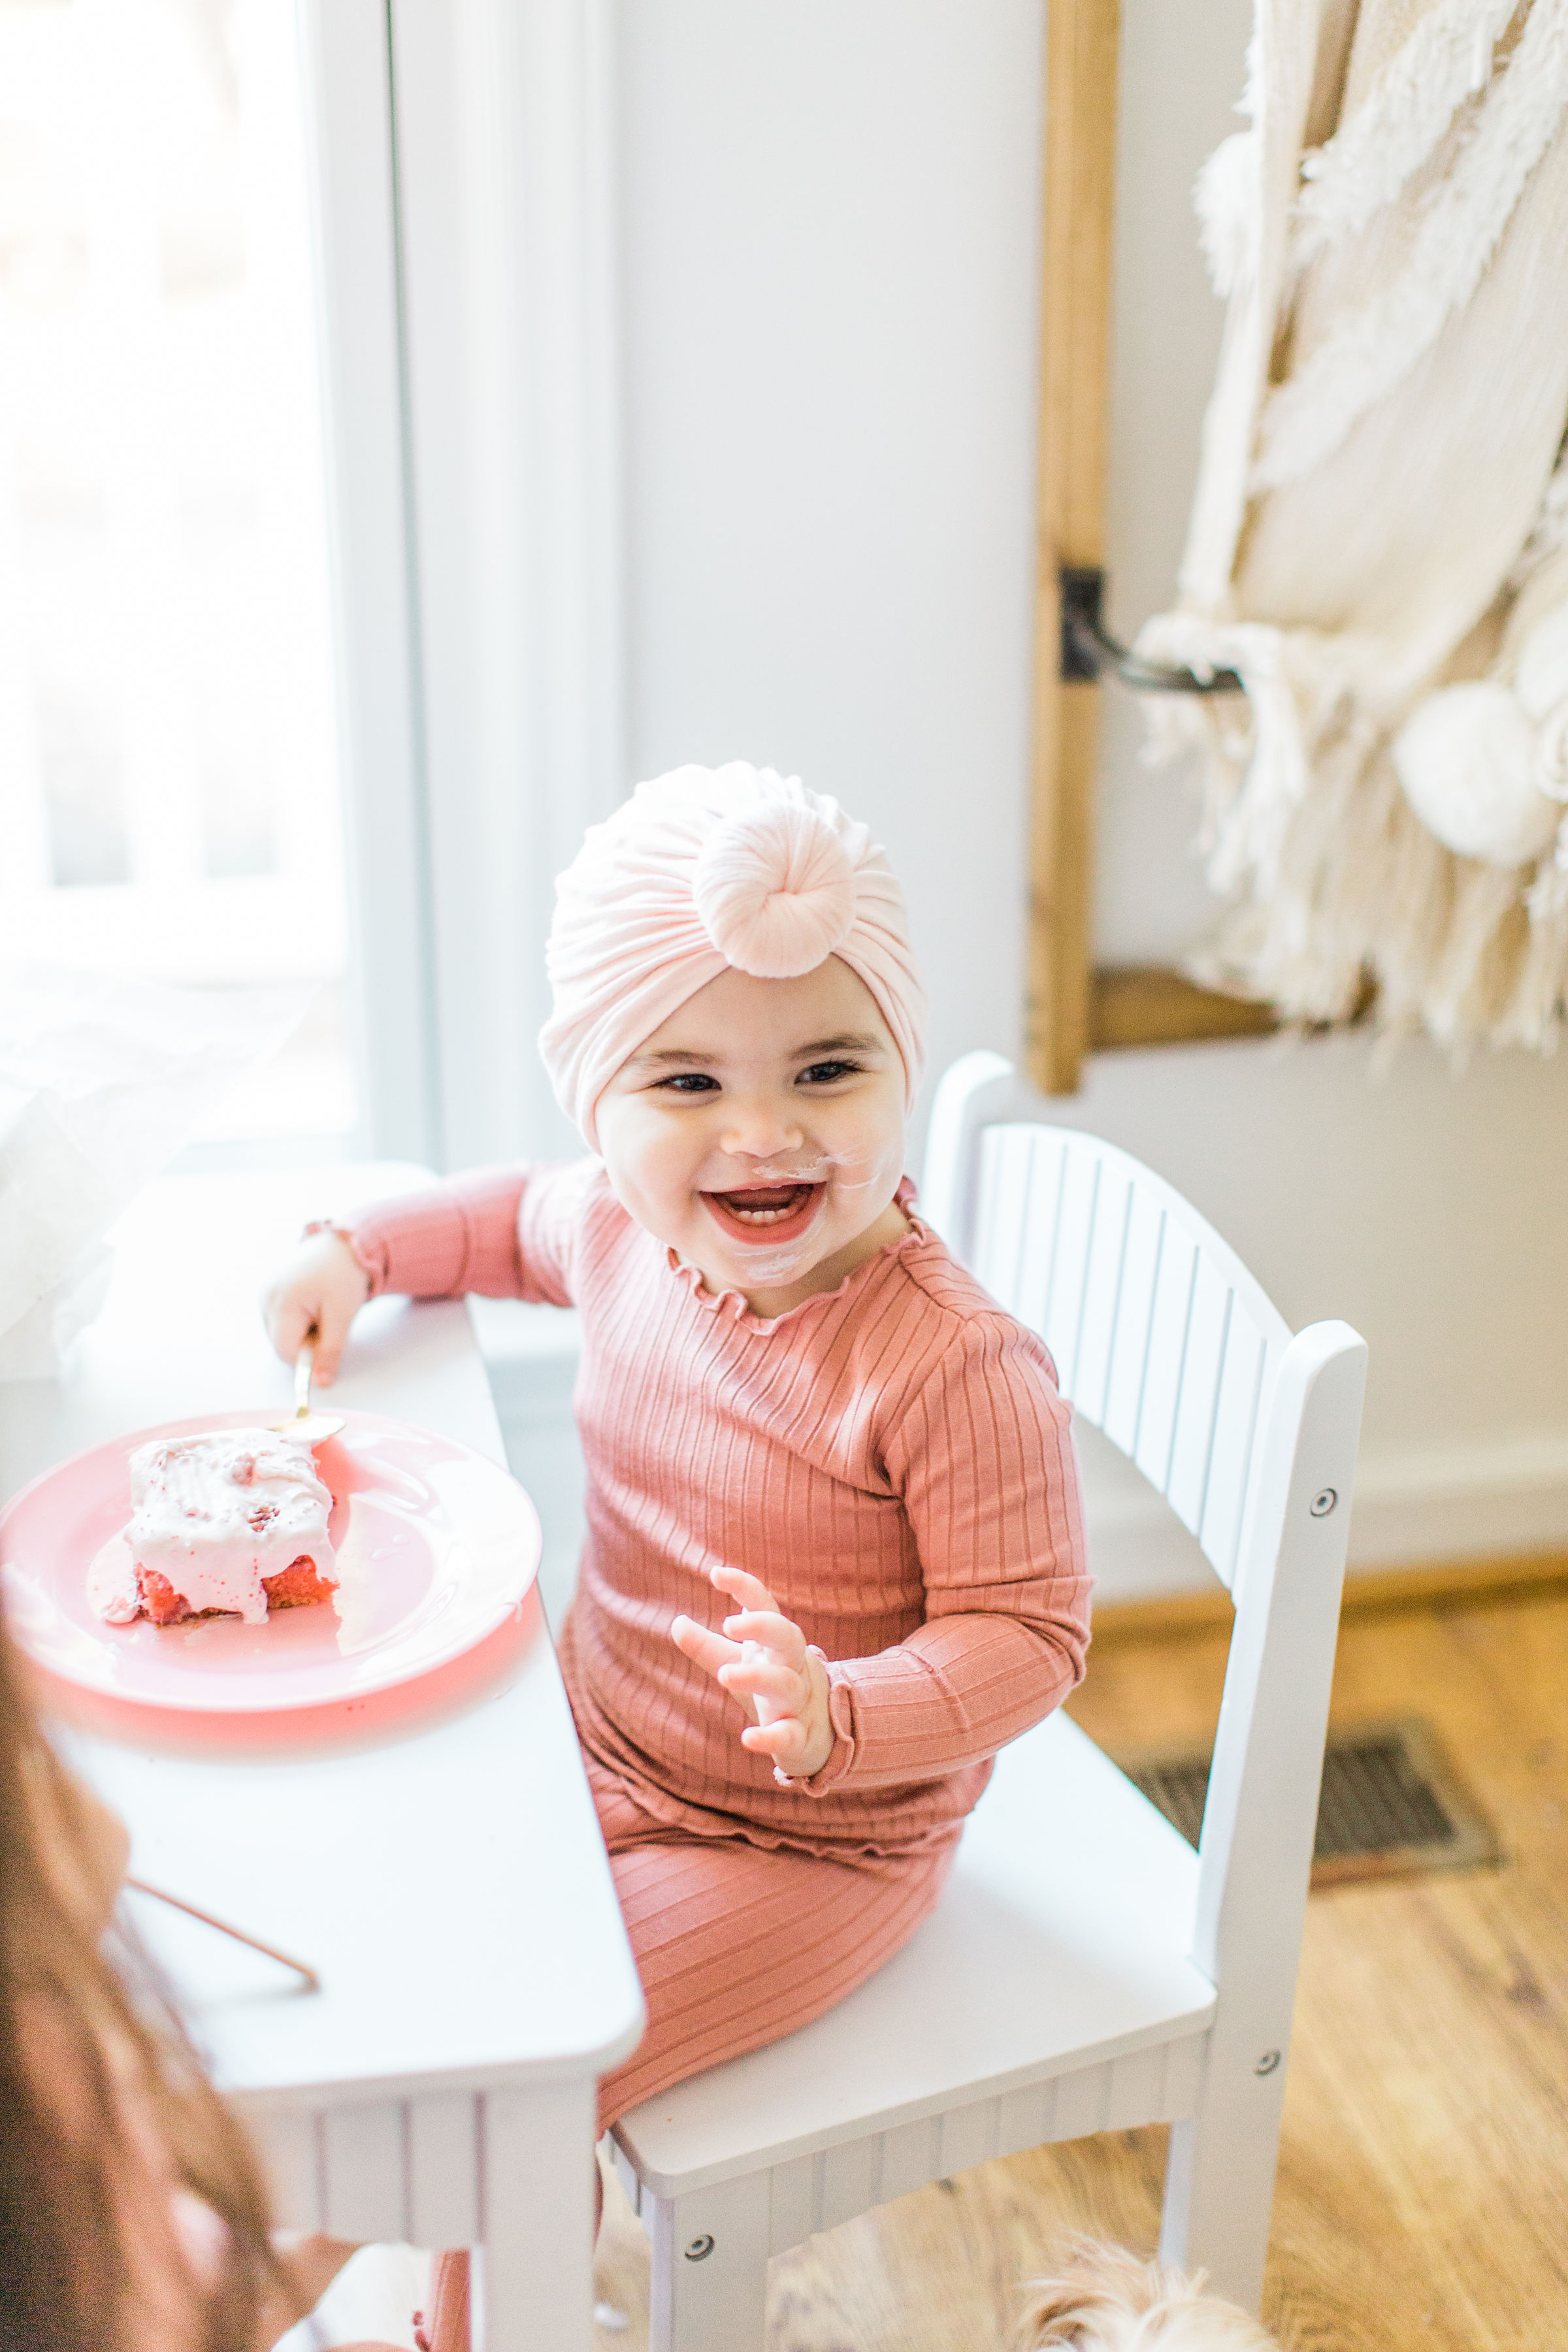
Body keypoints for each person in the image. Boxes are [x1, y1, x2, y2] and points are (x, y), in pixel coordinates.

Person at [263, 764, 1092, 2148]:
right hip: (587, 1739)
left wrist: (847, 1713)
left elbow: (1030, 1633)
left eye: (827, 1069)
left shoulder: (955, 1364)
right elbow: (505, 1223)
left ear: (902, 1071)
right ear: (598, 1106)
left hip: (809, 1844)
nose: (762, 1133)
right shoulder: (616, 1232)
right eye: (688, 1081)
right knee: (376, 1979)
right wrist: (359, 1253)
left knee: (509, 2088)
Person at [0, 1601, 463, 2351]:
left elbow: (175, 2328)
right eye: (30, 1771)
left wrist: (336, 2234)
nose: (111, 1832)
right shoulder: (47, 2097)